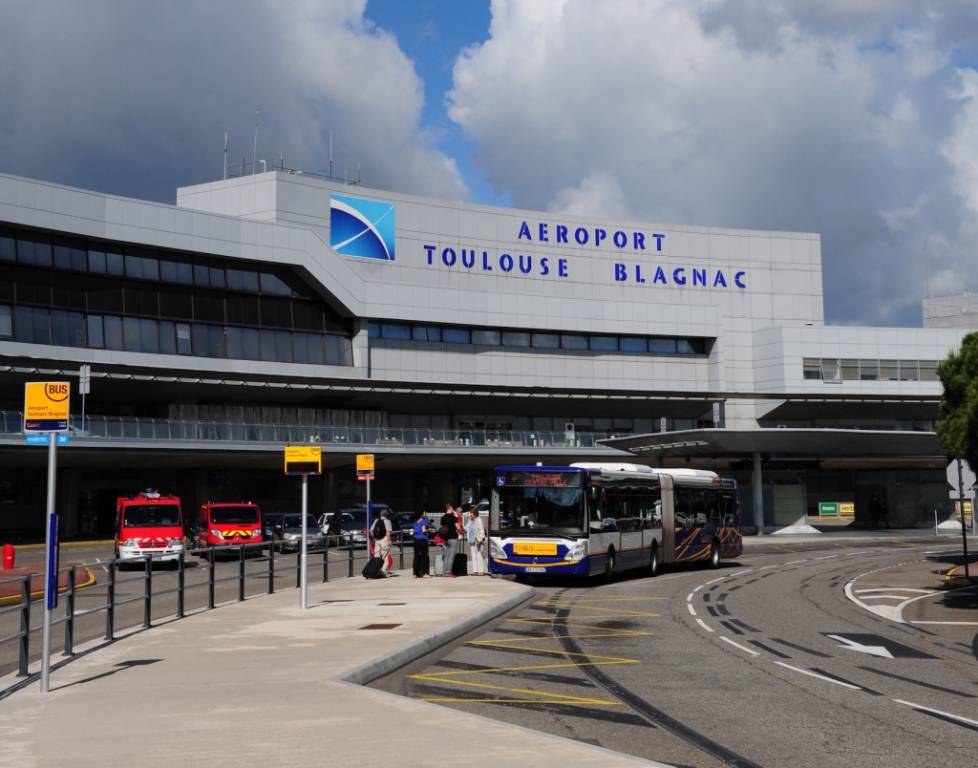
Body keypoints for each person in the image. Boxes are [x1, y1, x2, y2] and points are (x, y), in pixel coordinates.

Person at [439, 503, 461, 578]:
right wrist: (455, 514)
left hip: (445, 538)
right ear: (451, 508)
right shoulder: (452, 517)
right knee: (451, 555)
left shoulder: (443, 518)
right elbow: (458, 525)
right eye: (452, 509)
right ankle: (449, 572)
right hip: (453, 538)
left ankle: (444, 572)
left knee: (446, 555)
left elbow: (442, 527)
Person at [371, 508, 393, 576]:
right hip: (385, 539)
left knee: (376, 556)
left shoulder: (376, 520)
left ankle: (375, 571)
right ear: (387, 515)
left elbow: (371, 531)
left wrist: (374, 538)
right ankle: (382, 572)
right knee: (384, 556)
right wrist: (389, 541)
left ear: (380, 514)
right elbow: (388, 532)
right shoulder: (387, 521)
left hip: (377, 540)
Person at [466, 504, 487, 575]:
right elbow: (466, 528)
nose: (470, 515)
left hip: (478, 540)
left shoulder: (479, 520)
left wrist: (479, 540)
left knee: (479, 555)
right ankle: (475, 571)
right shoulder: (470, 521)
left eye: (471, 513)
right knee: (473, 556)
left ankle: (481, 570)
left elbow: (481, 531)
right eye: (470, 513)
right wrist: (462, 529)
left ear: (475, 514)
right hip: (472, 541)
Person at [411, 510, 431, 578]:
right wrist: (429, 530)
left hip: (416, 540)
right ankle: (425, 573)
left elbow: (414, 529)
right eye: (424, 513)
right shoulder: (423, 521)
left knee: (416, 556)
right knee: (424, 556)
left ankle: (415, 573)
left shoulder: (415, 521)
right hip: (422, 539)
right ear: (421, 514)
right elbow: (423, 530)